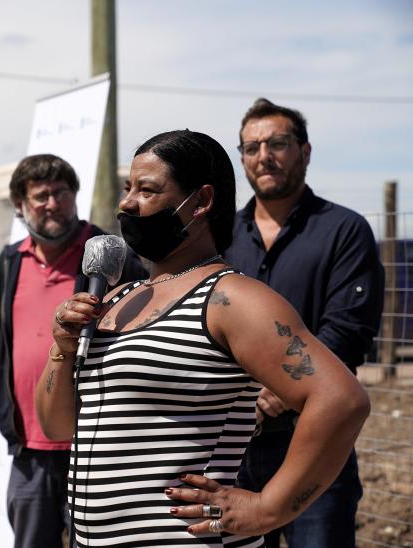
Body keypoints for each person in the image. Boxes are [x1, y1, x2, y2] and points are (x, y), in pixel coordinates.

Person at [35, 129, 371, 547]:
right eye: (127, 188)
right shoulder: (118, 297)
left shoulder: (230, 298)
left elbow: (341, 400)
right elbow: (58, 425)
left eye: (147, 189)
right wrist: (62, 349)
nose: (126, 203)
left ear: (201, 203)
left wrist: (268, 508)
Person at [224, 98, 384, 547]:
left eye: (278, 143)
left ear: (305, 151)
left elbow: (348, 329)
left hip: (312, 438)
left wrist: (282, 389)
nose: (264, 156)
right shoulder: (223, 239)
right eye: (251, 147)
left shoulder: (343, 230)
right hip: (232, 444)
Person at [0, 153, 147, 547]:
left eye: (61, 193)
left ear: (75, 196)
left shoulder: (111, 259)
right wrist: (9, 406)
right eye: (40, 196)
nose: (52, 203)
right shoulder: (7, 264)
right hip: (31, 451)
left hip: (96, 447)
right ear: (21, 206)